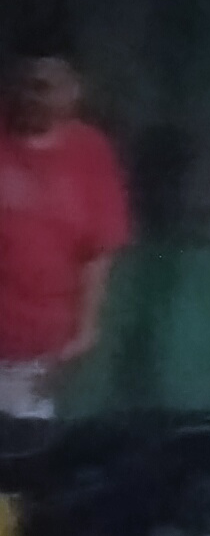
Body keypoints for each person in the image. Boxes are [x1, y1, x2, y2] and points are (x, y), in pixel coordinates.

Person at [0, 57, 133, 421]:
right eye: (27, 84)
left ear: (73, 93)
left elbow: (100, 247)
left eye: (47, 87)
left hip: (37, 347)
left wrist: (85, 330)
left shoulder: (90, 152)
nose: (34, 97)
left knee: (21, 453)